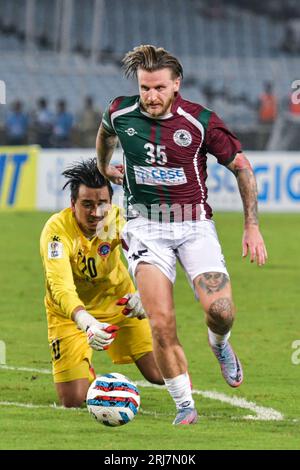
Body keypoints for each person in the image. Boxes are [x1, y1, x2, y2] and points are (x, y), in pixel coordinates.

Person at [96, 45, 268, 426]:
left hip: (194, 225)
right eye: (144, 88)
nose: (150, 97)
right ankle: (184, 404)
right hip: (145, 228)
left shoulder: (200, 121)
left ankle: (219, 343)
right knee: (161, 322)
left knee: (221, 312)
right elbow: (105, 133)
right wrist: (104, 165)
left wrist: (251, 226)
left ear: (176, 85)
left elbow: (241, 166)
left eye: (158, 88)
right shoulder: (119, 112)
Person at [40, 158, 163, 408]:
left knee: (161, 373)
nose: (96, 213)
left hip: (119, 303)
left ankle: (186, 400)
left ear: (110, 202)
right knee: (74, 400)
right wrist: (87, 323)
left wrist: (144, 292)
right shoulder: (57, 233)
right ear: (72, 204)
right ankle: (86, 372)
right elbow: (60, 286)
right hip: (70, 315)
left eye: (102, 204)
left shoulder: (115, 222)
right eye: (87, 204)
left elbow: (150, 253)